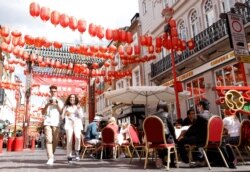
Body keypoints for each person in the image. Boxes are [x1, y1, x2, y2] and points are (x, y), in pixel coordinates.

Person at [177, 98, 212, 167]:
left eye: (198, 106)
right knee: (192, 139)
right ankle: (200, 160)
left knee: (180, 141)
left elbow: (192, 129)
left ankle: (185, 162)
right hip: (210, 139)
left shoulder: (201, 116)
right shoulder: (213, 116)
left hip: (201, 140)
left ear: (201, 106)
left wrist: (184, 135)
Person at [41, 85, 64, 165]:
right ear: (50, 92)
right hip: (47, 122)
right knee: (49, 140)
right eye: (52, 91)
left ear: (56, 92)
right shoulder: (45, 100)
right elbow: (42, 112)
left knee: (56, 140)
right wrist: (47, 104)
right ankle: (50, 157)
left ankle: (52, 155)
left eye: (54, 91)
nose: (53, 92)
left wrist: (57, 105)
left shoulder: (60, 101)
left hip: (56, 123)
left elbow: (62, 112)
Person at [61, 94, 85, 163]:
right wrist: (65, 113)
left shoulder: (78, 106)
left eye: (73, 97)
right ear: (69, 99)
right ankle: (69, 155)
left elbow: (81, 116)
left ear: (75, 99)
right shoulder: (66, 107)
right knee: (69, 140)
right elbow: (62, 117)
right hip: (69, 125)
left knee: (78, 137)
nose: (72, 98)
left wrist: (78, 108)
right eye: (71, 97)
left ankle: (77, 152)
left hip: (77, 124)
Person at [153, 101, 177, 168]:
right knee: (172, 143)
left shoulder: (152, 116)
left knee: (167, 143)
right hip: (165, 138)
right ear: (166, 107)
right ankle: (171, 162)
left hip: (154, 140)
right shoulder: (166, 114)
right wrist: (175, 138)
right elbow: (172, 129)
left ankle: (160, 158)